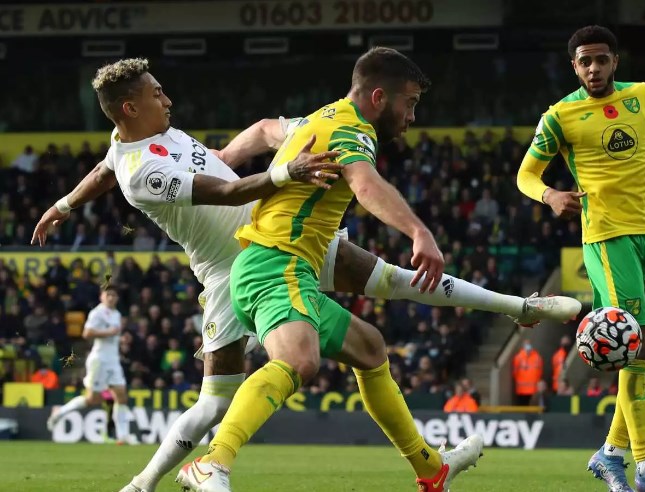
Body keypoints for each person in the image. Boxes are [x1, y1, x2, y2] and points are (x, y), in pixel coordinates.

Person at [31, 58, 580, 492]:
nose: (167, 99)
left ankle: (515, 315)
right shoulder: (144, 172)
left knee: (377, 322)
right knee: (223, 398)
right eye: (156, 94)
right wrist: (285, 172)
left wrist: (63, 205)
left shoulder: (138, 142)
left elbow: (117, 164)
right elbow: (227, 191)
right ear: (130, 108)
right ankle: (161, 476)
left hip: (286, 242)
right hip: (237, 262)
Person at [179, 47, 487, 492]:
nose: (412, 116)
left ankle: (430, 469)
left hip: (282, 269)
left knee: (370, 348)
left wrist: (226, 154)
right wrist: (419, 232)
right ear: (379, 97)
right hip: (275, 266)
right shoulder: (352, 129)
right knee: (298, 360)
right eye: (410, 103)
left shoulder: (319, 117)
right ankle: (212, 462)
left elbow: (265, 128)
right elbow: (365, 184)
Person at [517, 25, 645, 492]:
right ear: (574, 67)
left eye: (601, 59)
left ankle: (610, 452)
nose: (593, 68)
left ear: (615, 62)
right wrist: (549, 195)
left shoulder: (642, 96)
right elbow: (526, 174)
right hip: (606, 240)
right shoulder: (559, 116)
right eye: (584, 61)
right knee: (634, 348)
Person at [46, 284, 137, 444]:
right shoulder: (97, 313)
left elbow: (113, 335)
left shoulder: (116, 314)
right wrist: (109, 333)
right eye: (108, 295)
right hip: (99, 360)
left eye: (114, 295)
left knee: (121, 396)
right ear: (102, 296)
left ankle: (122, 436)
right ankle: (60, 412)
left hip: (113, 360)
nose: (111, 298)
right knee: (92, 399)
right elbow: (86, 333)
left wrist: (120, 339)